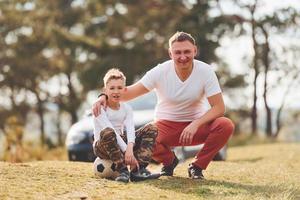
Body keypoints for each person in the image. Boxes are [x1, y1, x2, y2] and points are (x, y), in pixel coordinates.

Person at [93, 32, 235, 180]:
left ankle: (197, 167)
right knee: (146, 138)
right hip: (166, 126)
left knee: (225, 125)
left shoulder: (205, 71)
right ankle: (169, 161)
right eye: (177, 52)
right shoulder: (160, 71)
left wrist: (195, 124)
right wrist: (103, 96)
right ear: (170, 53)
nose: (182, 57)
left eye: (187, 51)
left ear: (195, 50)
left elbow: (219, 107)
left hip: (196, 127)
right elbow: (128, 92)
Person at [93, 68, 158, 183]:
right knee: (109, 132)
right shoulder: (100, 108)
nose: (116, 91)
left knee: (151, 128)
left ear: (124, 90)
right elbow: (110, 130)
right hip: (102, 144)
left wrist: (130, 148)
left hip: (121, 140)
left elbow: (130, 129)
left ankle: (139, 170)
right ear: (105, 90)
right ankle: (122, 170)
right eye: (112, 88)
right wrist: (126, 151)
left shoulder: (127, 108)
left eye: (119, 88)